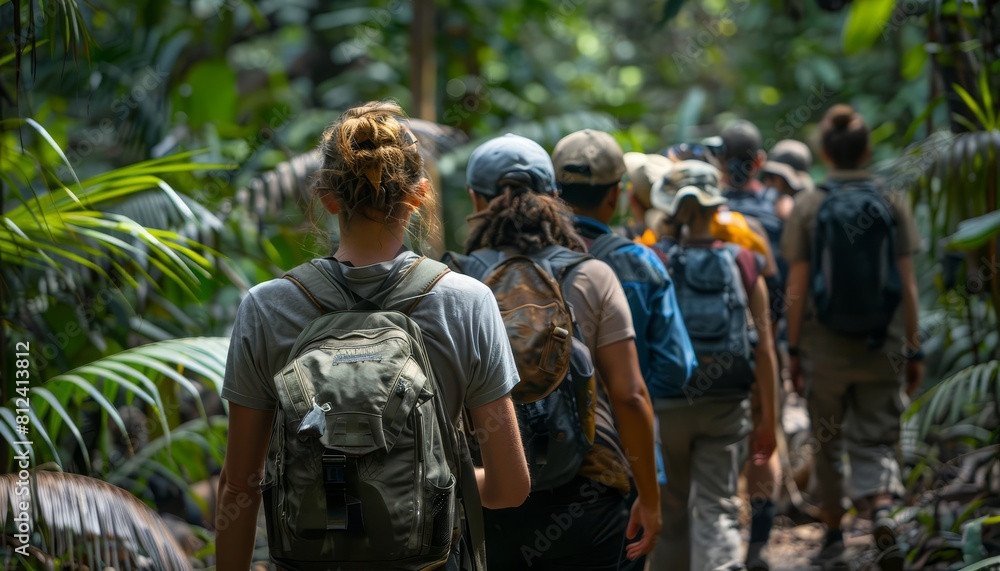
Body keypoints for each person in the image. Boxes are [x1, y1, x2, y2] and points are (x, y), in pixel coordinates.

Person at [215, 102, 530, 571]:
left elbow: (240, 484)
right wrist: (430, 486)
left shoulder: (267, 306)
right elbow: (509, 488)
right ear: (420, 195)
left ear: (326, 196)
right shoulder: (467, 301)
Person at [447, 133, 661, 570]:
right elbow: (630, 396)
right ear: (553, 197)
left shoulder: (449, 282)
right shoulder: (592, 275)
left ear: (474, 198)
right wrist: (650, 498)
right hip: (587, 493)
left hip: (486, 495)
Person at [783, 104, 922, 570]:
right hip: (882, 341)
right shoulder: (891, 199)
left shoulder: (809, 204)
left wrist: (794, 348)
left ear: (825, 152)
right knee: (878, 434)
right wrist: (914, 346)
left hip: (824, 346)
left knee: (828, 440)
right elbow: (907, 282)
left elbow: (797, 287)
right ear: (867, 150)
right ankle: (881, 509)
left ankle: (835, 533)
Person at [553, 129, 699, 569]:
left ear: (553, 192)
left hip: (538, 454)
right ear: (616, 194)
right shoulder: (641, 262)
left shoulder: (525, 262)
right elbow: (678, 368)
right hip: (622, 457)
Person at [650, 160, 778, 571]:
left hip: (666, 406)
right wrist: (768, 419)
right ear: (715, 207)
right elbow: (765, 349)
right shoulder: (743, 262)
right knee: (718, 508)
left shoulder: (652, 261)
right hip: (726, 404)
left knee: (671, 517)